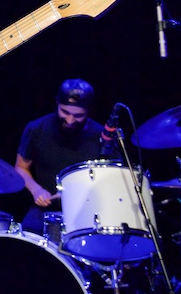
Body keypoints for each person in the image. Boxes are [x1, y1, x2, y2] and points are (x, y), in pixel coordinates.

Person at [15, 78, 117, 235]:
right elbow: (21, 167)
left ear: (88, 110)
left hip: (87, 210)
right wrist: (36, 190)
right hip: (45, 210)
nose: (70, 120)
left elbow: (112, 180)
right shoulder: (37, 129)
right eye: (65, 112)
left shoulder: (102, 137)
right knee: (28, 232)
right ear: (57, 103)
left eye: (78, 115)